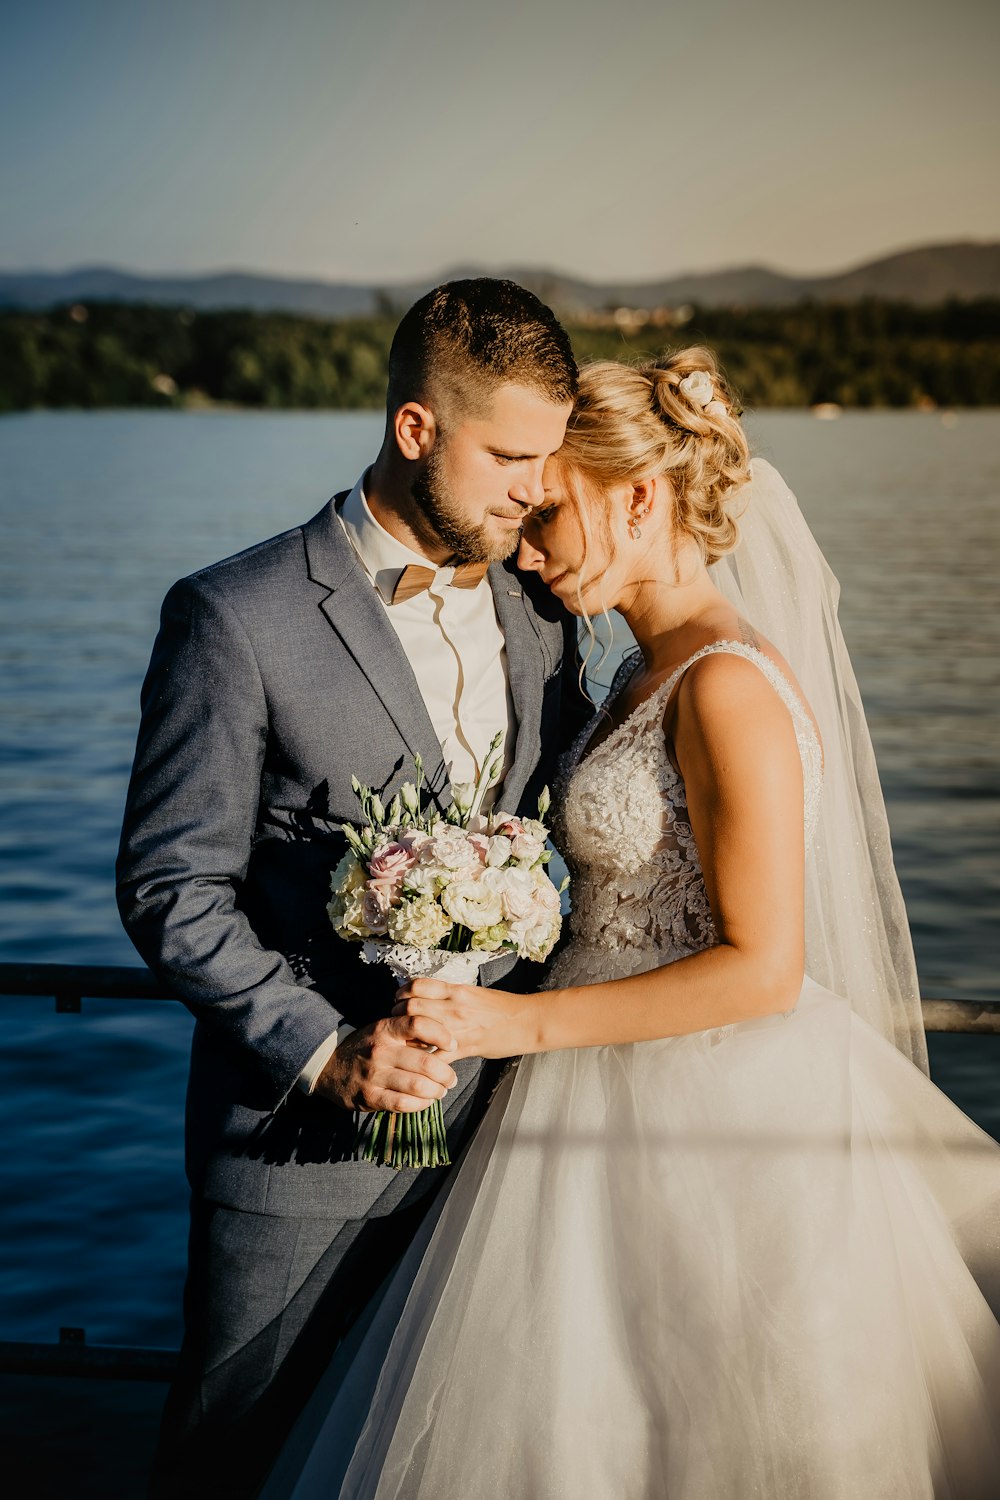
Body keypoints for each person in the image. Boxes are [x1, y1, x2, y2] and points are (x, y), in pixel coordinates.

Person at [274, 350, 1000, 1499]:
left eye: (548, 509)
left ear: (641, 496)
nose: (524, 545)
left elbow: (764, 970)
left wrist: (511, 1029)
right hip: (592, 1081)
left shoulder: (726, 686)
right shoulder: (633, 675)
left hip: (702, 1106)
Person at [115, 278, 589, 1498]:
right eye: (511, 456)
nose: (536, 487)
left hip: (501, 1168)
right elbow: (174, 887)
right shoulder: (235, 615)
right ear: (416, 428)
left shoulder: (539, 613)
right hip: (296, 1163)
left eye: (549, 457)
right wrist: (327, 1056)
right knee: (233, 1467)